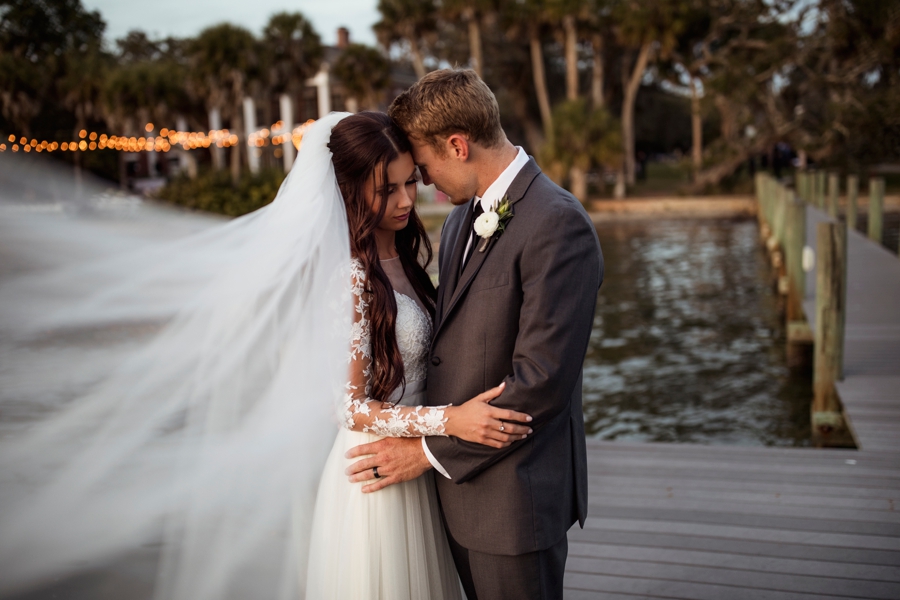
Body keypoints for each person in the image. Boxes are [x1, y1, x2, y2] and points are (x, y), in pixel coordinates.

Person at [0, 111, 529, 600]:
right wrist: (450, 422)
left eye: (409, 181)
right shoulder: (350, 279)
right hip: (375, 476)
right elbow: (346, 406)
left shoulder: (410, 261)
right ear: (349, 193)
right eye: (384, 190)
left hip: (419, 472)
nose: (404, 200)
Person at [345, 69, 604, 600]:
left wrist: (424, 453)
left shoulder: (559, 224)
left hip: (513, 502)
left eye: (424, 167)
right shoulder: (462, 218)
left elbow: (541, 383)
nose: (425, 184)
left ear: (457, 146)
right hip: (452, 500)